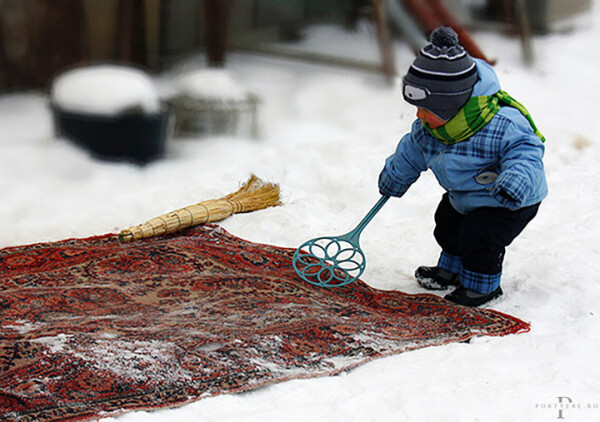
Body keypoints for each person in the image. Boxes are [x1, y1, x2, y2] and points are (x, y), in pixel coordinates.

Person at [379, 26, 547, 307]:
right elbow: (410, 153)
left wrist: (515, 181)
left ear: (451, 106)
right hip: (464, 196)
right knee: (447, 222)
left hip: (508, 200)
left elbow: (526, 153)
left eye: (426, 109)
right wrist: (395, 178)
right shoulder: (429, 130)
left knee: (480, 236)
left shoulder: (501, 124)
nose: (419, 115)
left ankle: (482, 286)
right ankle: (452, 269)